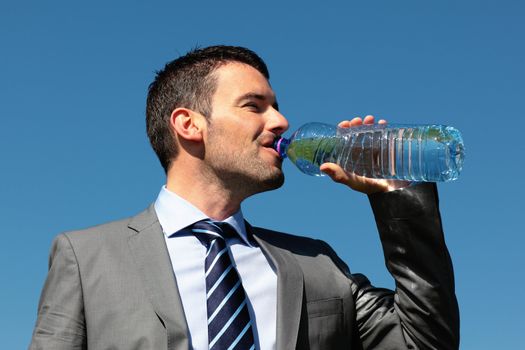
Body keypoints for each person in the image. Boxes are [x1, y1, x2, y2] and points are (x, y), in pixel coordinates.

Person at [30, 45, 459, 350]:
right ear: (189, 124)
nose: (280, 120)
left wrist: (397, 195)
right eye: (254, 106)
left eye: (275, 106)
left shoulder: (318, 266)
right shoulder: (86, 258)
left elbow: (425, 343)